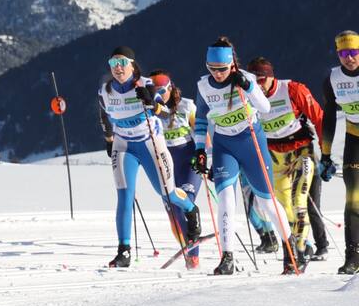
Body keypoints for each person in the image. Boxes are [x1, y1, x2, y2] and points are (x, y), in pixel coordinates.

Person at [97, 47, 200, 269]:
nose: (118, 68)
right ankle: (123, 251)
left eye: (122, 63)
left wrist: (152, 104)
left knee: (167, 192)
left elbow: (165, 113)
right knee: (125, 196)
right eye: (113, 63)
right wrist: (108, 140)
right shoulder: (105, 91)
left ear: (132, 65)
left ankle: (191, 210)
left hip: (150, 143)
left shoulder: (145, 84)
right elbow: (104, 116)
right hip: (123, 145)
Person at [193, 37, 287, 276]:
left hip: (251, 142)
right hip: (225, 145)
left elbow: (265, 108)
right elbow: (202, 120)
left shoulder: (246, 78)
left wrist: (249, 87)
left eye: (222, 69)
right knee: (225, 198)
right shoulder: (203, 86)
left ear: (232, 65)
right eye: (211, 69)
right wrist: (200, 150)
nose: (217, 74)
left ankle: (290, 248)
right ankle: (227, 257)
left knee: (266, 201)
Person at [245, 56, 324, 272]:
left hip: (300, 151)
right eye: (255, 81)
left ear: (271, 77)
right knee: (282, 208)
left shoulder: (292, 89)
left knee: (299, 201)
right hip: (274, 156)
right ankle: (304, 246)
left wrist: (325, 154)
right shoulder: (248, 97)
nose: (258, 86)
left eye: (262, 80)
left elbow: (319, 118)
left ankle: (297, 252)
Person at [149, 69, 204, 267]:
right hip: (164, 161)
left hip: (187, 158)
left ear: (171, 89)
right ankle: (187, 247)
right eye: (154, 91)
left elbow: (200, 132)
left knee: (186, 201)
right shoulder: (149, 109)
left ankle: (194, 253)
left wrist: (203, 154)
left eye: (162, 91)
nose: (158, 95)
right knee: (173, 210)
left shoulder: (187, 106)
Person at [321, 31, 359, 274]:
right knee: (353, 199)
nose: (350, 58)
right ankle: (353, 257)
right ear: (338, 54)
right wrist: (325, 154)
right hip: (354, 139)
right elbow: (330, 117)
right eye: (344, 53)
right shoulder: (332, 79)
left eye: (354, 52)